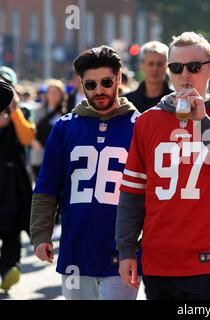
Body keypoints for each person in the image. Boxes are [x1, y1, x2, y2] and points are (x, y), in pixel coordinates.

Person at [116, 31, 210, 300]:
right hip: (159, 259)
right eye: (176, 68)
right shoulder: (147, 121)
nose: (185, 75)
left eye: (194, 67)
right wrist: (126, 250)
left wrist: (203, 122)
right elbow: (132, 192)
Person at [30, 45, 141, 300]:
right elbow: (47, 186)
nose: (99, 90)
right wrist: (40, 234)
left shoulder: (141, 125)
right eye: (90, 85)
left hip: (122, 254)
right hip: (75, 252)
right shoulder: (65, 127)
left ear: (119, 79)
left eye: (106, 82)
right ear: (81, 84)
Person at [0, 70, 35, 293]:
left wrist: (13, 113)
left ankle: (9, 267)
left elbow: (27, 138)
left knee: (13, 224)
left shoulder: (22, 111)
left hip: (14, 178)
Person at [30, 79, 67, 179]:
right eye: (51, 92)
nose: (53, 95)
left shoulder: (66, 113)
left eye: (56, 92)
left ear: (61, 95)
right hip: (39, 154)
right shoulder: (38, 111)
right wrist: (33, 140)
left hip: (57, 156)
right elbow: (31, 129)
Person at [124, 41, 173, 113]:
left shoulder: (174, 101)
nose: (155, 69)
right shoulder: (127, 101)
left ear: (166, 67)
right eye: (151, 64)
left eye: (159, 64)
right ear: (141, 65)